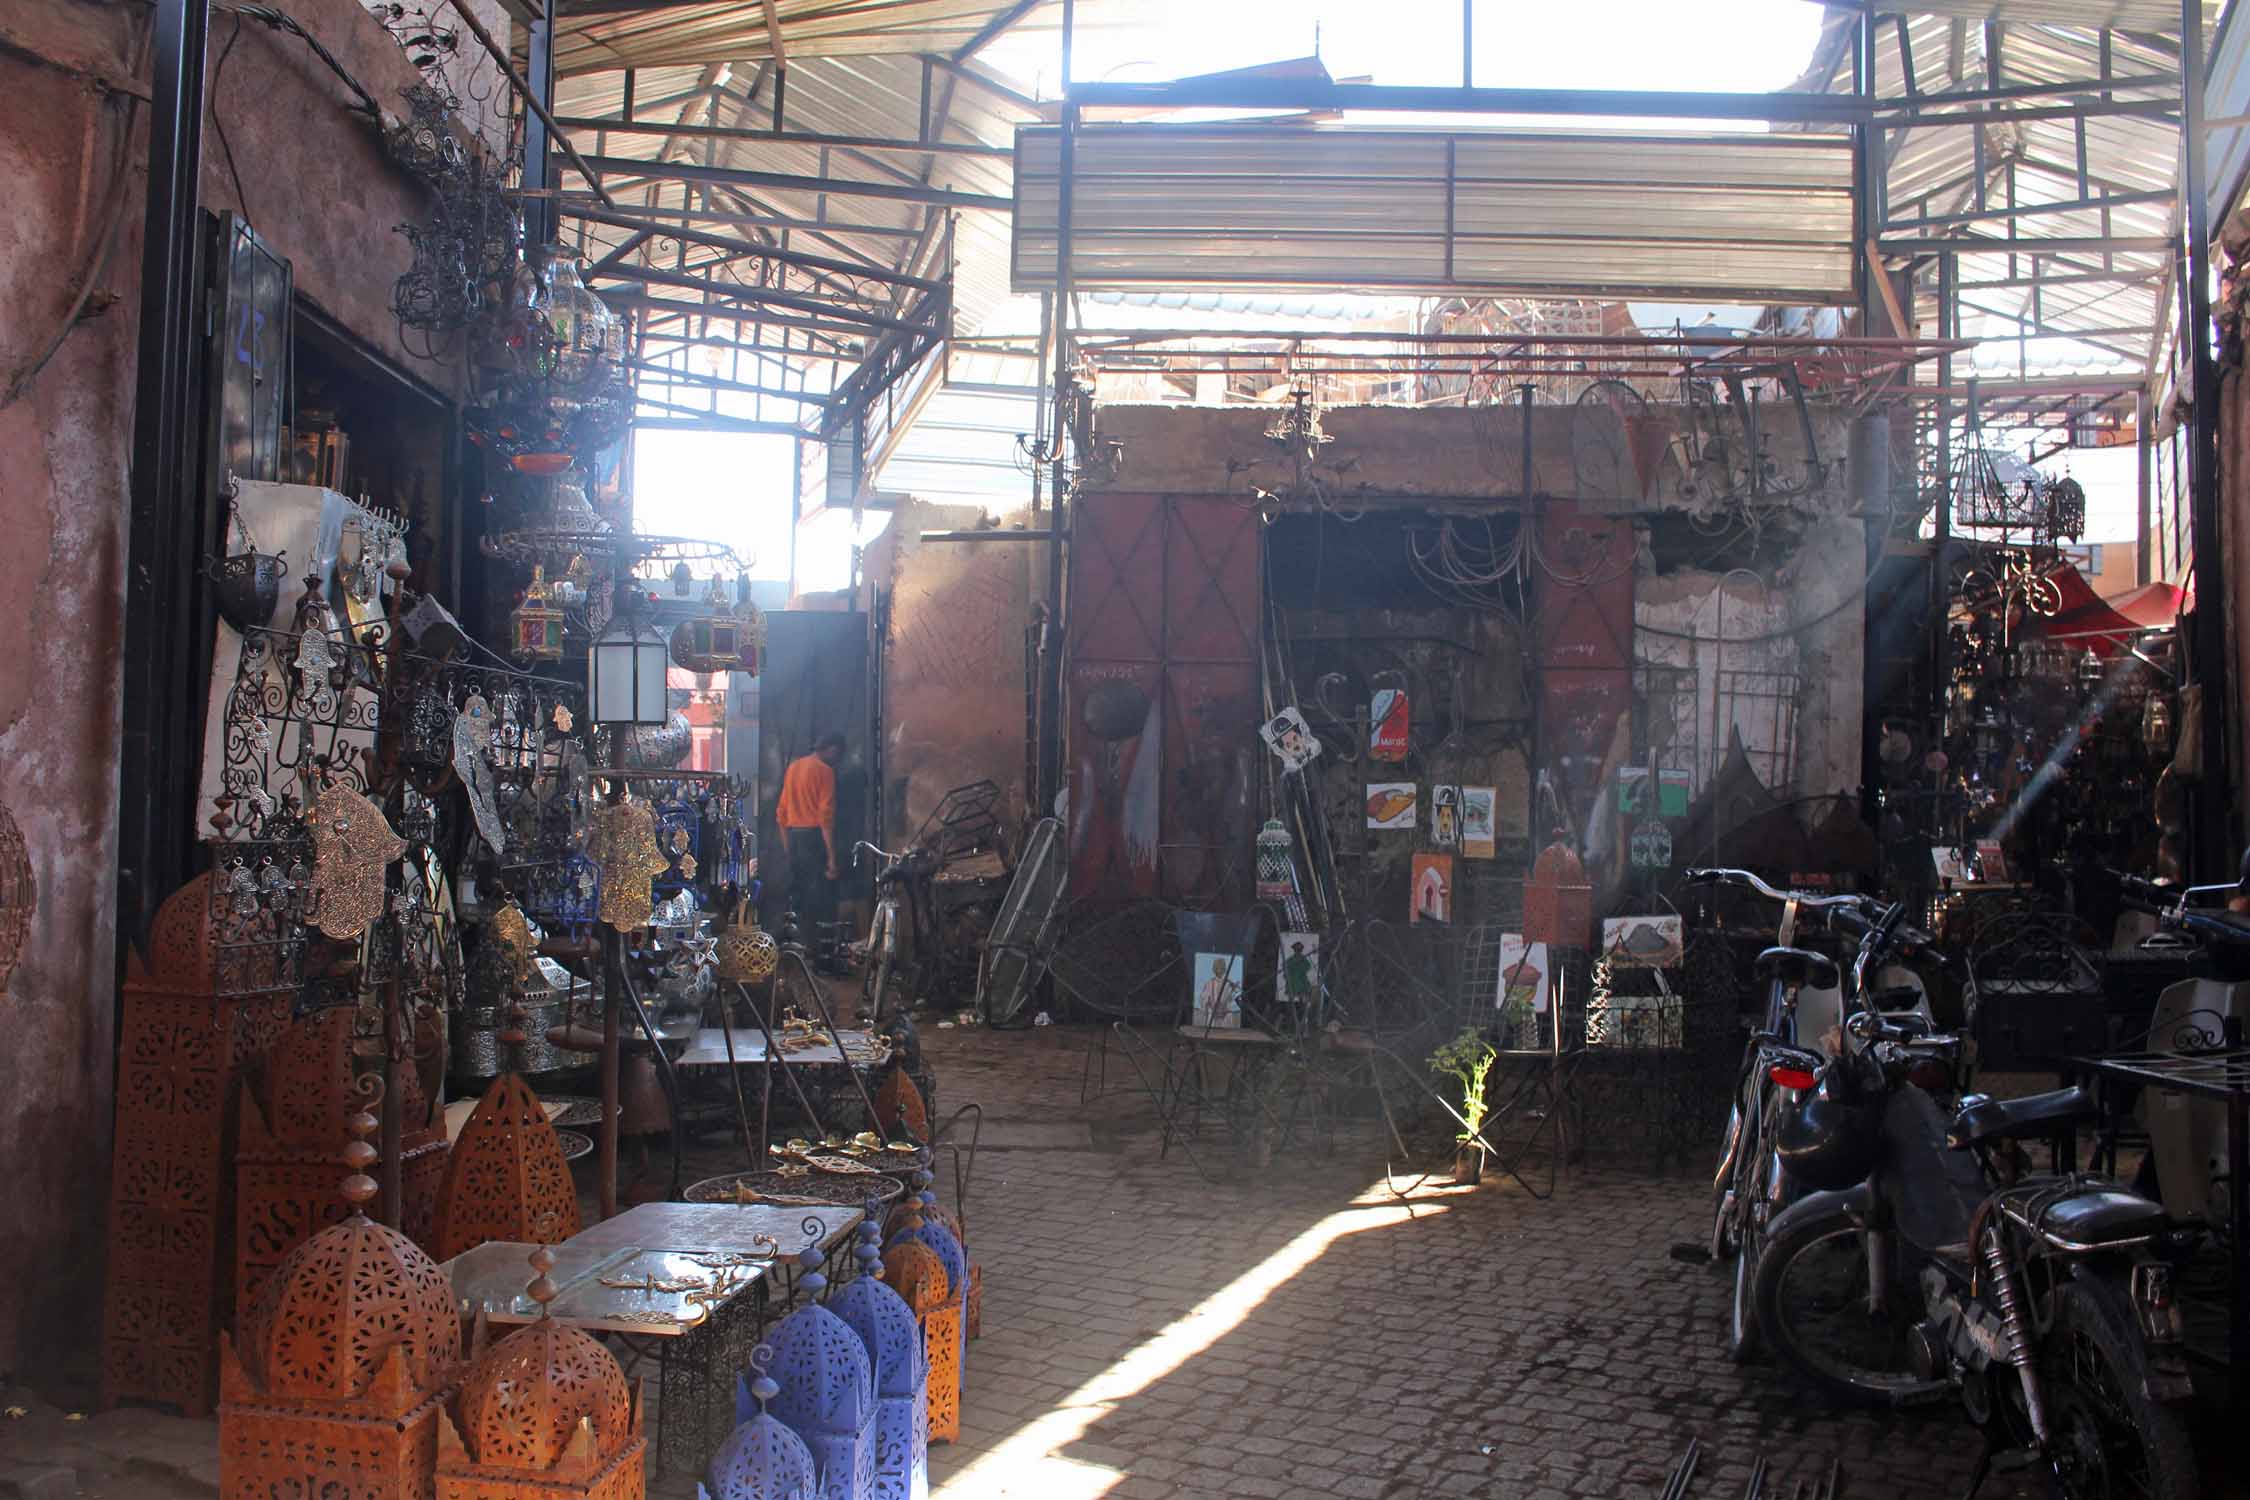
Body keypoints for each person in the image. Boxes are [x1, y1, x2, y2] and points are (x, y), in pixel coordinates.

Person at [776, 731, 845, 951]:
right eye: (838, 752)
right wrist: (832, 859)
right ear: (832, 748)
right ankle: (820, 954)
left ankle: (802, 949)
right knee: (820, 900)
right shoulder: (826, 772)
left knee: (800, 898)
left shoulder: (794, 768)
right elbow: (826, 818)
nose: (838, 757)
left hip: (795, 839)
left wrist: (788, 849)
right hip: (814, 840)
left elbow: (782, 814)